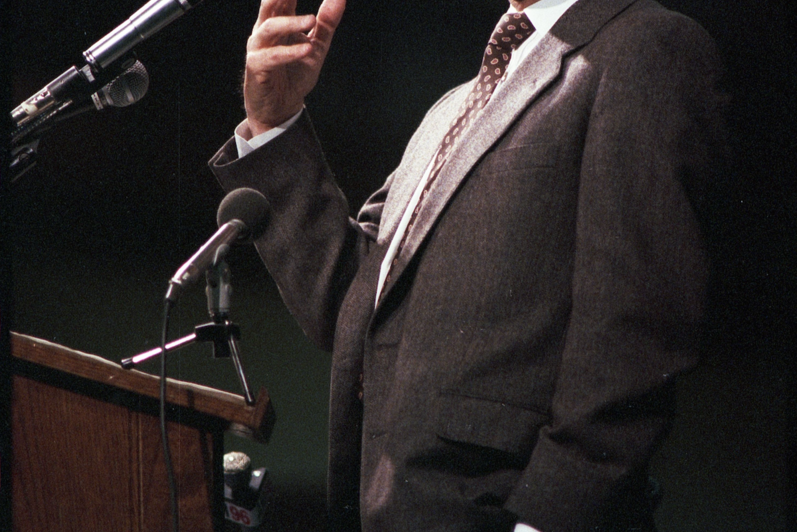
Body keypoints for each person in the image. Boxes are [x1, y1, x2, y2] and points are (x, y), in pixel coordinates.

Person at [209, 0, 726, 530]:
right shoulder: (452, 110)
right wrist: (273, 122)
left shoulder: (646, 45)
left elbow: (634, 332)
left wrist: (548, 519)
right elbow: (356, 307)